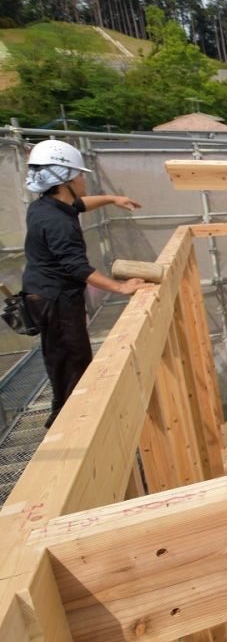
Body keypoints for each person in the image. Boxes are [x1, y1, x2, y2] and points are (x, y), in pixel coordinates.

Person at [21, 140, 148, 427]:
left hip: (43, 294)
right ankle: (69, 424)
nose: (82, 178)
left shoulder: (46, 207)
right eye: (78, 174)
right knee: (72, 359)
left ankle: (65, 411)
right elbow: (76, 267)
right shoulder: (57, 222)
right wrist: (121, 288)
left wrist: (113, 199)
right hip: (56, 300)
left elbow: (80, 204)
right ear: (64, 179)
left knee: (61, 357)